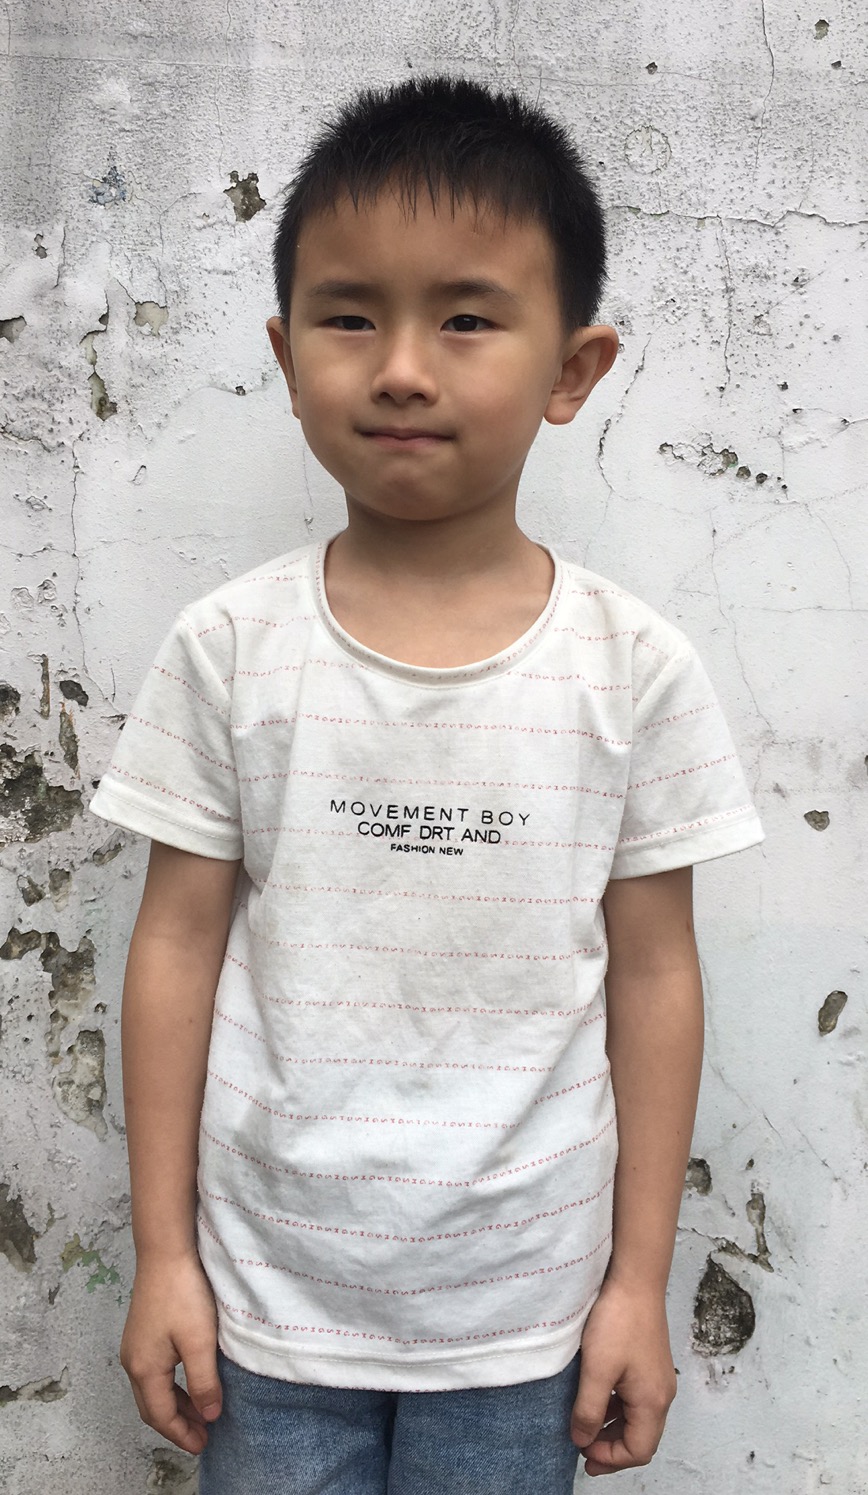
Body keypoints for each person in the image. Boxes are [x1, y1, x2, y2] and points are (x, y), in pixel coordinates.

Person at [91, 75, 764, 1492]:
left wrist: (639, 1285)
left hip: (525, 1317)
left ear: (573, 369)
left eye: (466, 318)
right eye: (349, 317)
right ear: (286, 356)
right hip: (265, 1306)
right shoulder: (229, 649)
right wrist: (162, 1256)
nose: (402, 368)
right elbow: (176, 946)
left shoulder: (632, 668)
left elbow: (655, 976)